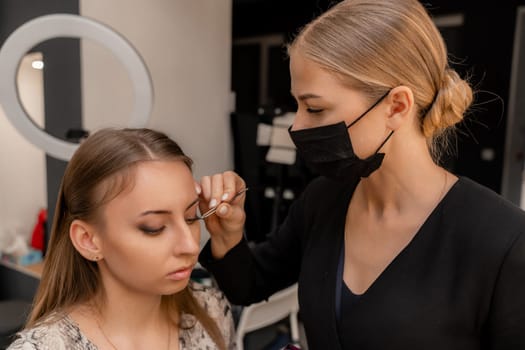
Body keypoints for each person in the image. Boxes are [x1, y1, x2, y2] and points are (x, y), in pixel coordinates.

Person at [196, 0, 525, 349]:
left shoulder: (504, 241)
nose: (297, 124)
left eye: (315, 108)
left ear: (396, 106)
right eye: (298, 105)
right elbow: (248, 285)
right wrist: (228, 235)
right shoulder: (323, 200)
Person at [8, 128, 235, 349]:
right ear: (88, 240)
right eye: (153, 228)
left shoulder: (211, 311)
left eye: (191, 217)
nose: (190, 245)